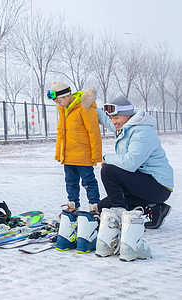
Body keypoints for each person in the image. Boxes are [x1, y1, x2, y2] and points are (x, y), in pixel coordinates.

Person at [94, 95, 173, 261]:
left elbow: (130, 163)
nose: (113, 121)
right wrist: (91, 106)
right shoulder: (126, 126)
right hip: (142, 183)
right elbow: (108, 121)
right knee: (103, 207)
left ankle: (122, 221)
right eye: (111, 117)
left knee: (108, 171)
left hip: (158, 186)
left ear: (127, 115)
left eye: (116, 117)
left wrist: (105, 158)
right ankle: (156, 210)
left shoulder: (142, 132)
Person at [47, 82, 102, 253]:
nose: (58, 104)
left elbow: (94, 132)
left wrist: (96, 155)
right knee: (70, 182)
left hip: (83, 156)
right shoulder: (63, 111)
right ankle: (73, 206)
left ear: (66, 96)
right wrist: (59, 154)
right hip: (68, 157)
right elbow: (60, 134)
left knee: (88, 182)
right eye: (56, 102)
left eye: (59, 101)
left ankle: (94, 208)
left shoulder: (84, 108)